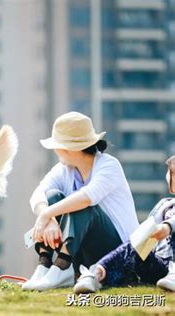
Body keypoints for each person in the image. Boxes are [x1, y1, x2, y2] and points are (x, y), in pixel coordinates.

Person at [22, 111, 139, 291]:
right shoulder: (65, 169)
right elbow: (38, 194)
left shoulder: (109, 166)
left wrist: (47, 214)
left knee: (83, 205)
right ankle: (45, 265)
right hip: (84, 254)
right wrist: (49, 218)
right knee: (52, 196)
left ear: (68, 148)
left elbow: (86, 198)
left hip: (118, 255)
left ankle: (62, 265)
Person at [74, 155, 175, 293]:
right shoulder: (165, 205)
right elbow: (148, 229)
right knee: (136, 244)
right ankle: (96, 274)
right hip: (160, 266)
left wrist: (168, 226)